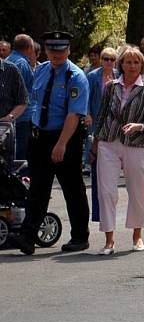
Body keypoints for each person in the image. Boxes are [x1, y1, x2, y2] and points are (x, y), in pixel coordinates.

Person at [13, 31, 90, 255]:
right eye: (52, 50)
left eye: (61, 50)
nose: (56, 54)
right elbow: (34, 101)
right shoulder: (43, 70)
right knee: (37, 187)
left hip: (65, 136)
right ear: (45, 50)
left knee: (72, 188)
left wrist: (61, 144)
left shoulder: (75, 77)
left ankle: (79, 236)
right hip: (41, 137)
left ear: (68, 50)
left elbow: (74, 114)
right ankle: (28, 236)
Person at [92, 46, 144, 254]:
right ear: (121, 64)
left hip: (136, 143)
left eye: (136, 62)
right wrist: (95, 141)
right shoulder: (111, 86)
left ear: (142, 65)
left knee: (137, 191)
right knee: (107, 191)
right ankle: (109, 239)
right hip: (108, 141)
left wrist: (139, 126)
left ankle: (137, 235)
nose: (132, 66)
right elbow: (101, 115)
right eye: (128, 62)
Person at [86, 47, 119, 222]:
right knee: (96, 168)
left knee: (111, 173)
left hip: (115, 127)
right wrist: (87, 114)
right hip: (96, 128)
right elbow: (85, 98)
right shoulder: (92, 76)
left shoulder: (118, 76)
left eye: (112, 59)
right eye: (105, 59)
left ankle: (110, 211)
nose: (108, 62)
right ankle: (98, 213)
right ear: (100, 59)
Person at [7, 34, 37, 163]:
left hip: (11, 115)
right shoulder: (22, 64)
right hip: (23, 116)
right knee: (22, 156)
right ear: (29, 48)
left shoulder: (8, 59)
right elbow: (23, 93)